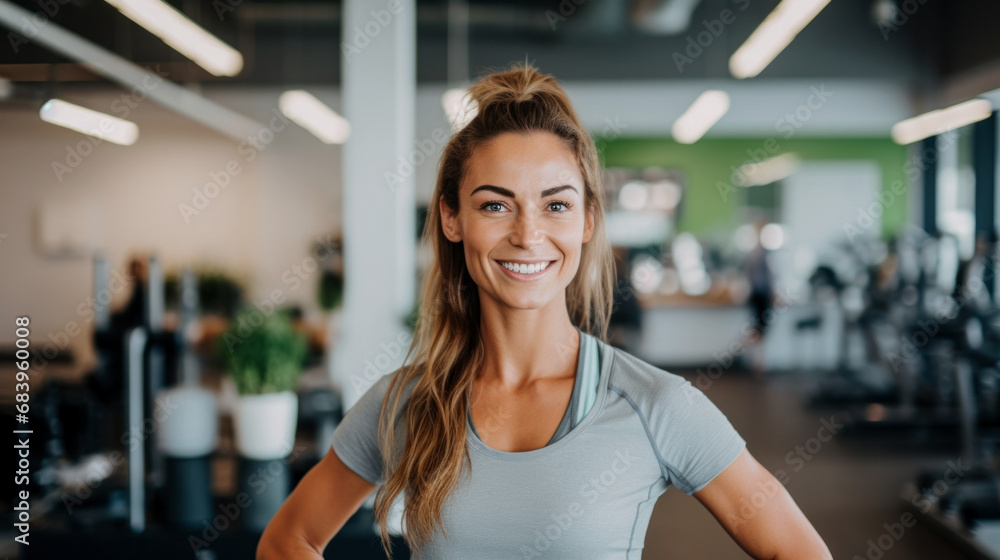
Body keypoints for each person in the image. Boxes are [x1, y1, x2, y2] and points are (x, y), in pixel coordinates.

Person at [256, 62, 831, 560]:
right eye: (495, 205)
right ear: (453, 219)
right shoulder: (405, 402)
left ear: (586, 222)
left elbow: (797, 549)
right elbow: (286, 541)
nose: (528, 234)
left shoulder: (654, 404)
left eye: (555, 204)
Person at [744, 219, 774, 377]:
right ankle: (757, 363)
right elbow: (767, 277)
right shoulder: (761, 253)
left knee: (758, 329)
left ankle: (756, 362)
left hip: (757, 295)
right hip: (761, 295)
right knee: (760, 330)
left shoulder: (755, 253)